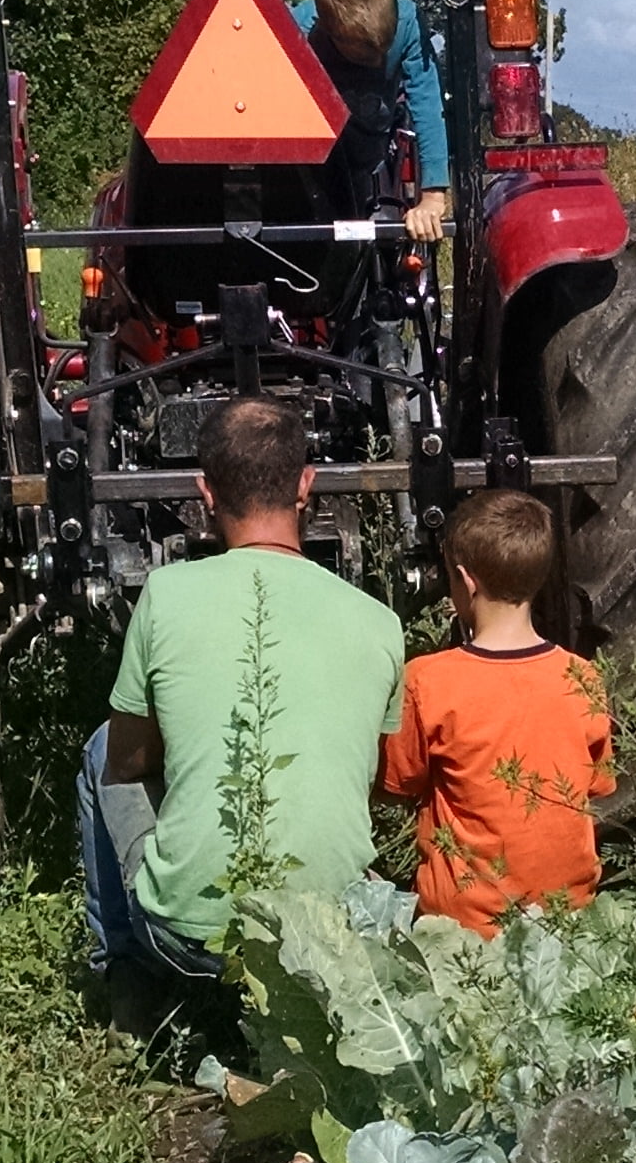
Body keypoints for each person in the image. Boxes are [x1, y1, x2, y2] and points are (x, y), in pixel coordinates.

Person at [78, 392, 406, 983]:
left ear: (205, 495)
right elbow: (371, 782)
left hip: (190, 947)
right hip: (328, 946)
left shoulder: (164, 595)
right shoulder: (380, 621)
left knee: (102, 747)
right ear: (306, 486)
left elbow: (128, 763)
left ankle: (122, 973)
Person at [380, 487, 614, 932]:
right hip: (568, 921)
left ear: (466, 582)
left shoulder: (428, 680)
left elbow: (398, 782)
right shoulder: (582, 676)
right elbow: (596, 782)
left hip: (463, 931)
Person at [305, 0, 451, 246]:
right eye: (367, 54)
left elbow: (426, 104)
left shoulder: (409, 20)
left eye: (386, 47)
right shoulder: (298, 31)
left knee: (386, 233)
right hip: (322, 158)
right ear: (331, 30)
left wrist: (432, 197)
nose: (378, 60)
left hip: (380, 143)